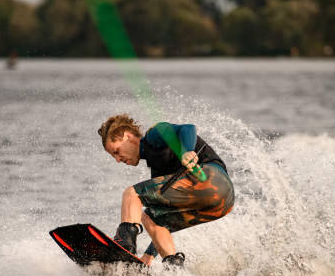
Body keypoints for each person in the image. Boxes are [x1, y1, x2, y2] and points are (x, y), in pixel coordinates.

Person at [98, 114, 234, 267]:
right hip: (223, 203)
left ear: (127, 136)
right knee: (152, 218)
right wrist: (148, 257)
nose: (117, 159)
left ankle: (123, 247)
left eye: (116, 151)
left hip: (211, 179)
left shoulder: (154, 135)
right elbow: (162, 225)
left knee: (132, 194)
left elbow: (188, 128)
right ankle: (172, 268)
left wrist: (186, 151)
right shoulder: (158, 171)